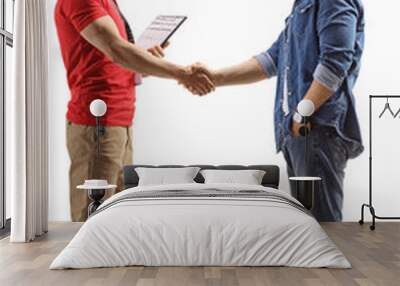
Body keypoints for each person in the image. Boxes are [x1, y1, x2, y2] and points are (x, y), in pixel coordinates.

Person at [188, 0, 365, 222]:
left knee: (322, 226)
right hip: (300, 132)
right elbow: (272, 59)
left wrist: (302, 113)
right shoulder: (303, 5)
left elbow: (336, 61)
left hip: (315, 129)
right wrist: (215, 77)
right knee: (309, 226)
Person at [55, 0, 214, 222]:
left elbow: (114, 60)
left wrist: (143, 60)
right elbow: (117, 50)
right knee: (92, 216)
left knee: (117, 212)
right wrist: (183, 73)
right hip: (96, 123)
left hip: (119, 121)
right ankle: (83, 259)